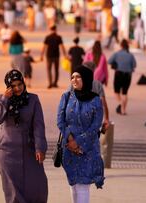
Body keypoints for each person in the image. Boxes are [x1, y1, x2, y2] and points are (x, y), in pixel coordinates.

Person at [0, 69, 48, 203]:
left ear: (24, 83)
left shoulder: (33, 99)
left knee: (37, 187)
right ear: (8, 86)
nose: (17, 88)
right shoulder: (1, 99)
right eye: (13, 85)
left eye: (20, 84)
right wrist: (5, 100)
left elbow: (38, 125)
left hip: (30, 151)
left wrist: (40, 148)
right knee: (13, 192)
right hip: (7, 152)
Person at [57, 65, 105, 203]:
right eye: (72, 77)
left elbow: (95, 126)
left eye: (78, 77)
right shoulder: (66, 97)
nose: (74, 80)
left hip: (88, 148)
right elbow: (60, 121)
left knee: (83, 185)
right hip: (69, 147)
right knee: (73, 184)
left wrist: (78, 142)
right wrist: (70, 140)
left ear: (86, 79)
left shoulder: (96, 100)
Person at [108, 39, 136, 115]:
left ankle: (121, 104)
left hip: (118, 74)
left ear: (121, 45)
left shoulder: (117, 54)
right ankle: (124, 110)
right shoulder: (130, 55)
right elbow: (134, 65)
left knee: (116, 92)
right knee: (125, 92)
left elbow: (109, 61)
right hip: (128, 76)